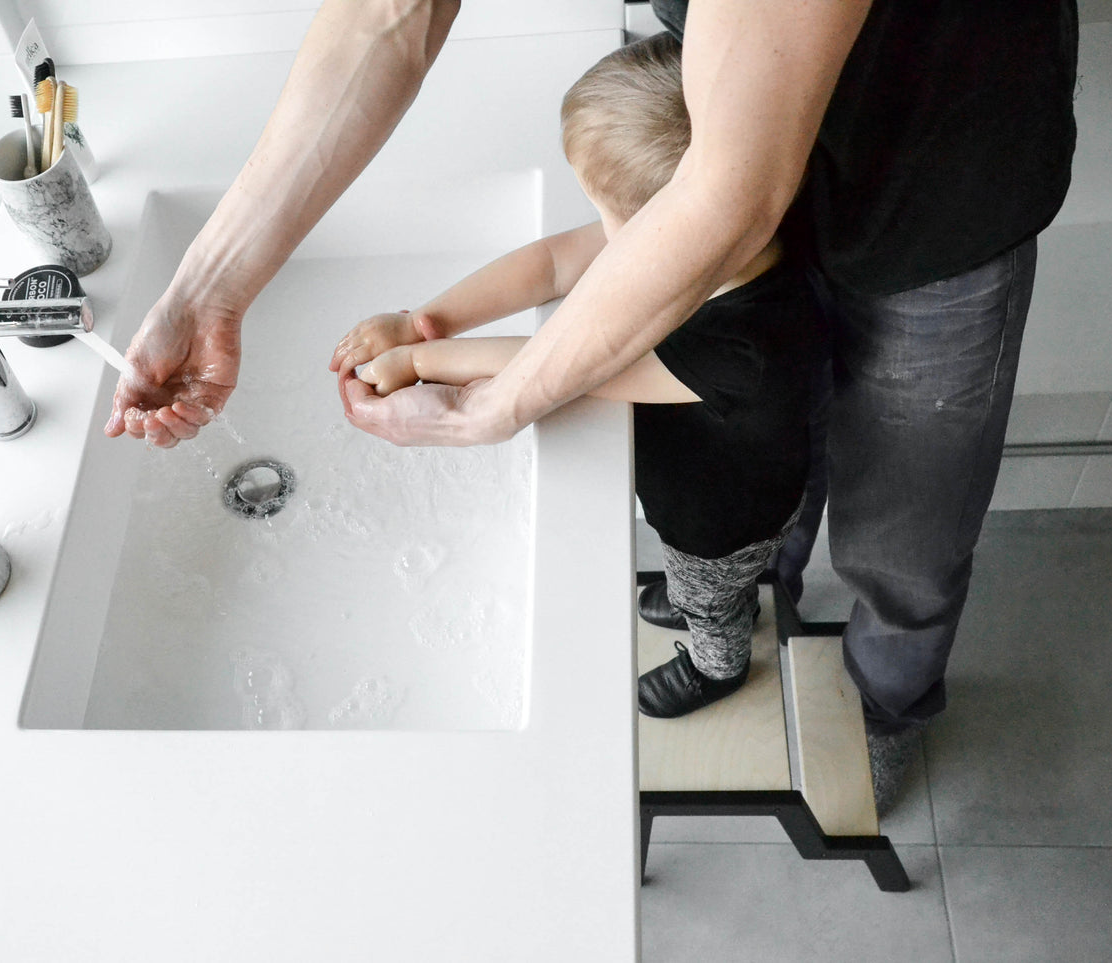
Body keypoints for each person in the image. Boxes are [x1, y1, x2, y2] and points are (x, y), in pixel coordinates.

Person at [107, 0, 1078, 814]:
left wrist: (458, 386)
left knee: (900, 532)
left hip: (938, 168)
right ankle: (758, 589)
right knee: (793, 477)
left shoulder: (732, 335)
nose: (607, 237)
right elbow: (390, 21)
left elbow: (706, 217)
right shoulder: (722, 251)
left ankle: (867, 696)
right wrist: (225, 290)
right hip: (752, 191)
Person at [334, 33, 823, 720]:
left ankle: (718, 662)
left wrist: (421, 363)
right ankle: (706, 601)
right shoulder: (725, 220)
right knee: (696, 581)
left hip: (724, 516)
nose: (599, 230)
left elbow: (575, 368)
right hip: (704, 472)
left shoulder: (746, 344)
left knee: (707, 592)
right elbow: (552, 265)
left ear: (673, 221)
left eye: (608, 215)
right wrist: (423, 321)